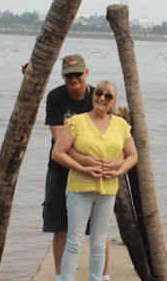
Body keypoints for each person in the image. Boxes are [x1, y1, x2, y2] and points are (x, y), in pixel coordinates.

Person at [52, 80, 138, 281]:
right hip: (80, 189)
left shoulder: (121, 125)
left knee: (99, 241)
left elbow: (133, 156)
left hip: (108, 190)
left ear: (113, 102)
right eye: (99, 93)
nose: (102, 98)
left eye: (108, 96)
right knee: (74, 241)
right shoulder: (77, 122)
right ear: (93, 95)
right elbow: (58, 153)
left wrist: (119, 171)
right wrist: (82, 168)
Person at [43, 54, 114, 281]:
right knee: (60, 226)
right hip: (61, 170)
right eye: (69, 75)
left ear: (86, 73)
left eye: (78, 74)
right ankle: (60, 276)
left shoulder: (97, 97)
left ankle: (104, 276)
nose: (74, 80)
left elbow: (111, 132)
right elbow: (58, 139)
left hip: (95, 175)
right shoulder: (55, 97)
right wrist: (82, 161)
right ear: (63, 76)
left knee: (98, 232)